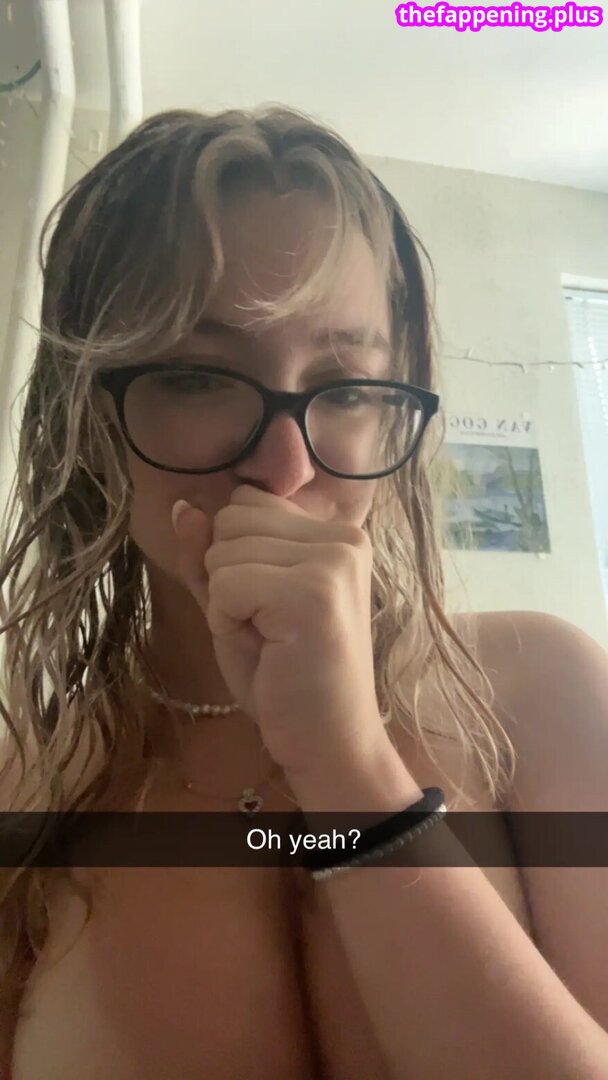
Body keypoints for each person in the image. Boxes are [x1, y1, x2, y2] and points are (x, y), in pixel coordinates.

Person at [1, 105, 607, 1079]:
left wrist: (345, 765)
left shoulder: (542, 694)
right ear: (86, 413)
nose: (285, 469)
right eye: (198, 377)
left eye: (348, 386)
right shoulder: (29, 791)